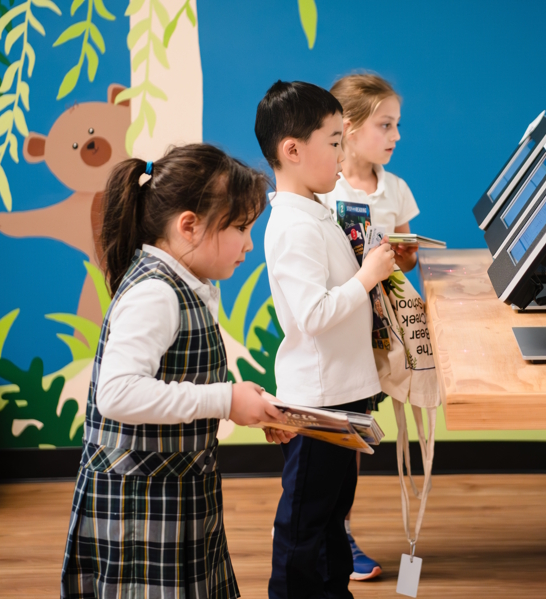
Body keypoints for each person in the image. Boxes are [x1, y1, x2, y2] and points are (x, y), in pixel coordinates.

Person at [60, 143, 294, 599]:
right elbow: (118, 394)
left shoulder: (189, 283)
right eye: (241, 227)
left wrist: (247, 404)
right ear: (189, 226)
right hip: (141, 506)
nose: (249, 243)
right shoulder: (156, 294)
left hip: (176, 489)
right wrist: (225, 400)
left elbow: (183, 379)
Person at [255, 80, 396, 599]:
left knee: (333, 512)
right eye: (334, 142)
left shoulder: (317, 211)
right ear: (292, 150)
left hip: (342, 391)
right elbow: (313, 314)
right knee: (305, 520)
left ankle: (334, 591)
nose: (342, 154)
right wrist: (368, 276)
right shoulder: (292, 225)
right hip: (319, 400)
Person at [315, 72, 419, 581]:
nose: (396, 136)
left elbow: (404, 264)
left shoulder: (395, 188)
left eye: (397, 125)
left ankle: (331, 527)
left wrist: (406, 255)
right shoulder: (321, 191)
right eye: (386, 125)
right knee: (330, 437)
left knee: (356, 435)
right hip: (334, 329)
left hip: (376, 333)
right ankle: (322, 529)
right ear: (350, 129)